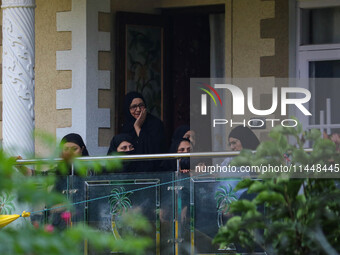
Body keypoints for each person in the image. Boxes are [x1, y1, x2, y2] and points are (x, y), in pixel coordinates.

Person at [122, 92, 165, 171]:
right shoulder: (126, 127)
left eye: (141, 105)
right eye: (134, 107)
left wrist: (137, 127)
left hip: (154, 170)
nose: (138, 110)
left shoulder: (155, 124)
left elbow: (153, 148)